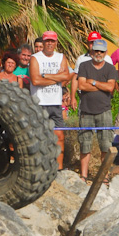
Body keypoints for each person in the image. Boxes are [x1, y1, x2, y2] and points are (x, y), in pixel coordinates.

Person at [76, 39, 118, 182]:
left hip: (104, 111)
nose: (98, 53)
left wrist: (93, 82)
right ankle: (84, 175)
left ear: (105, 53)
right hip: (86, 110)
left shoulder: (110, 68)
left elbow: (110, 87)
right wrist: (102, 86)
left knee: (106, 145)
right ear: (91, 51)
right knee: (85, 144)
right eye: (96, 51)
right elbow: (81, 85)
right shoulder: (84, 65)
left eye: (101, 51)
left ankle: (104, 176)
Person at [29, 31, 72, 169]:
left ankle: (59, 168)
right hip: (40, 103)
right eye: (47, 41)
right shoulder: (35, 58)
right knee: (40, 137)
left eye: (52, 41)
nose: (49, 43)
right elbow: (35, 80)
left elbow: (66, 76)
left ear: (56, 43)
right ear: (43, 42)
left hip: (55, 103)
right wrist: (56, 78)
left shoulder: (61, 57)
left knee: (59, 136)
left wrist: (46, 75)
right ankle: (40, 167)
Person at [70, 31, 113, 110]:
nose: (93, 44)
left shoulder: (107, 59)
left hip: (103, 99)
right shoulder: (81, 59)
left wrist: (92, 82)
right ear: (87, 43)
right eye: (91, 42)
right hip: (85, 98)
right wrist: (72, 97)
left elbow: (110, 84)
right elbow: (76, 79)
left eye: (96, 42)